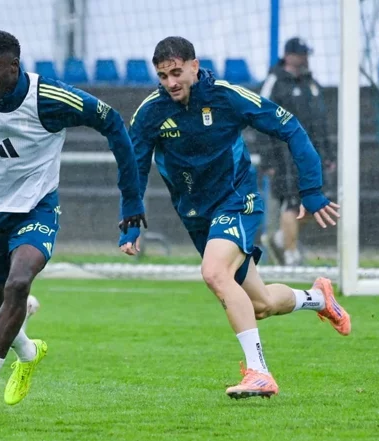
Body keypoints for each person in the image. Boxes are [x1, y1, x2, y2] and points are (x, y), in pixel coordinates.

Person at [0, 30, 146, 425]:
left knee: (18, 283)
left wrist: (132, 202)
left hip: (36, 209)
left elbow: (112, 122)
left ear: (13, 68)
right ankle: (28, 353)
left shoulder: (50, 98)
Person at [122, 36, 350, 399]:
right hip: (197, 215)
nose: (171, 82)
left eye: (177, 72)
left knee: (214, 273)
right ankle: (319, 299)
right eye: (163, 76)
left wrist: (311, 189)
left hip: (237, 200)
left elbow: (290, 127)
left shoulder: (226, 96)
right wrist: (131, 216)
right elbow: (133, 165)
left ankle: (260, 372)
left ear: (195, 66)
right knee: (260, 304)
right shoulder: (151, 112)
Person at [259, 37, 336, 266]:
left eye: (306, 54)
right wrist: (268, 159)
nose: (305, 59)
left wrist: (328, 154)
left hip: (312, 155)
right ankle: (290, 255)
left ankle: (281, 237)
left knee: (318, 203)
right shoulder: (275, 82)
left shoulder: (311, 83)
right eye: (301, 54)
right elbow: (260, 118)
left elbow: (321, 122)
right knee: (292, 203)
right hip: (285, 156)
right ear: (289, 56)